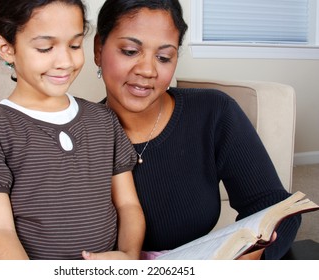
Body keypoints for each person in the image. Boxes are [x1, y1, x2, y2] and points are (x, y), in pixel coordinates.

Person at [92, 0, 301, 260]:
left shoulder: (213, 112)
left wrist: (253, 258)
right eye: (130, 51)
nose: (147, 70)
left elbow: (275, 207)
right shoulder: (77, 135)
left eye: (164, 57)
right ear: (99, 49)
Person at [0, 0, 145, 260]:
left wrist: (128, 256)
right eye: (45, 48)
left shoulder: (103, 119)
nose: (65, 61)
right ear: (6, 48)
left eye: (75, 45)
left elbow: (128, 204)